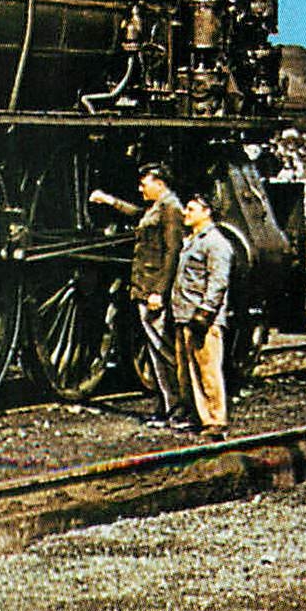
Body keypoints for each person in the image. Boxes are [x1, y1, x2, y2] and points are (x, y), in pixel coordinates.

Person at [90, 163, 185, 427]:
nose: (140, 188)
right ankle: (166, 406)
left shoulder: (172, 209)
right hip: (144, 289)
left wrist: (160, 292)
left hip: (153, 290)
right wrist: (109, 200)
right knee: (156, 351)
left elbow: (172, 253)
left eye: (145, 184)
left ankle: (178, 409)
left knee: (164, 350)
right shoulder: (157, 207)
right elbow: (136, 214)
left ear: (160, 183)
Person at [170, 193, 234, 437]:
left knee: (208, 370)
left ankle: (216, 420)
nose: (185, 213)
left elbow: (218, 282)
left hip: (202, 319)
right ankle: (198, 417)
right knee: (188, 372)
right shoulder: (192, 241)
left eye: (191, 209)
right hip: (184, 314)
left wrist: (205, 312)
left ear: (207, 212)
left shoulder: (216, 243)